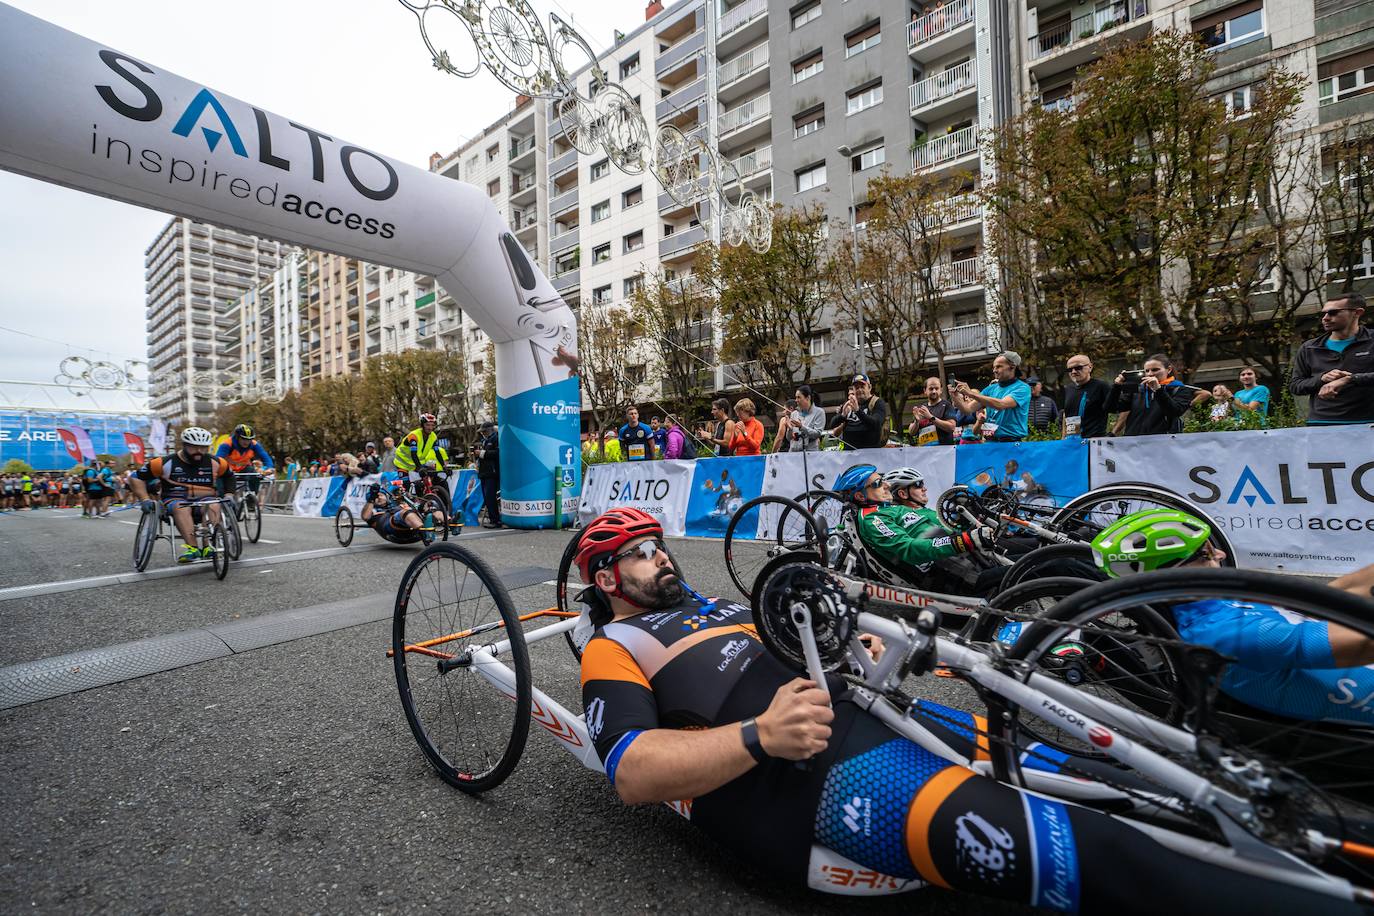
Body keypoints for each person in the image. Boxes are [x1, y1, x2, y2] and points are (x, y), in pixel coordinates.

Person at [573, 508, 1331, 912]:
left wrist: (852, 647)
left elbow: (813, 638)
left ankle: (1331, 848)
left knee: (1146, 786)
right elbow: (633, 772)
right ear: (606, 578)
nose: (661, 555)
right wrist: (759, 733)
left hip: (886, 714)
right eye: (639, 553)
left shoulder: (719, 602)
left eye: (657, 543)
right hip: (820, 777)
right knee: (1105, 854)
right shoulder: (618, 645)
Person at [1091, 509, 1374, 726]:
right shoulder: (1222, 633)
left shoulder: (1212, 600)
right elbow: (1362, 644)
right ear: (1181, 573)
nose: (1221, 553)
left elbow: (1334, 595)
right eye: (1206, 553)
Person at [833, 464, 1002, 597]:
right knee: (1027, 569)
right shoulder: (872, 518)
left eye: (883, 479)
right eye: (877, 484)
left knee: (1026, 558)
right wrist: (965, 540)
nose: (887, 485)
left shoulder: (890, 509)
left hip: (976, 563)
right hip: (962, 580)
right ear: (861, 496)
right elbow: (909, 549)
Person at [129, 427, 235, 563]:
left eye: (203, 448)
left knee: (214, 505)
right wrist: (144, 499)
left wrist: (229, 494)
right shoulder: (164, 462)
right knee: (182, 507)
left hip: (206, 499)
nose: (199, 451)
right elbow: (135, 477)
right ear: (184, 445)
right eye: (194, 447)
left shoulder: (217, 462)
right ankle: (193, 548)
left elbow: (230, 476)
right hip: (175, 499)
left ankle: (208, 546)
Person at [1288, 292, 1373, 425]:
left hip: (1368, 423)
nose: (1325, 318)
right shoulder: (1309, 347)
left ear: (1357, 313)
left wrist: (1351, 379)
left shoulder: (1372, 340)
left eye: (1333, 312)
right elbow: (1295, 386)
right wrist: (1321, 378)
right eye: (1324, 313)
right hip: (1322, 424)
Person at [1105, 354, 1195, 436]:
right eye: (1147, 371)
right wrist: (1116, 387)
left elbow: (1174, 411)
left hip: (1163, 443)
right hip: (1135, 444)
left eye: (1155, 370)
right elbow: (1111, 408)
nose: (1150, 374)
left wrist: (1158, 390)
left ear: (1169, 369)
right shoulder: (1137, 388)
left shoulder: (1180, 389)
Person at [952, 352, 1031, 442]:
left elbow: (1001, 404)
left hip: (1011, 442)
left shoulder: (1022, 388)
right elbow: (967, 409)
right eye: (993, 367)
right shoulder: (990, 389)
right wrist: (955, 396)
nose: (994, 370)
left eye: (998, 366)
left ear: (1012, 367)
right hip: (990, 442)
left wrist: (971, 394)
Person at [360, 481, 444, 544]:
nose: (379, 499)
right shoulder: (374, 511)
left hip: (411, 524)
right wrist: (371, 499)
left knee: (430, 507)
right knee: (405, 512)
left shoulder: (396, 502)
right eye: (376, 499)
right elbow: (365, 517)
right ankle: (425, 532)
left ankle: (451, 522)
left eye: (380, 496)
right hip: (391, 528)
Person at [215, 424, 274, 509]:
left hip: (244, 469)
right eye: (243, 439)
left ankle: (251, 499)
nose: (246, 442)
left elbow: (265, 456)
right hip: (228, 470)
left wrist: (270, 468)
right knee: (221, 488)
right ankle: (223, 504)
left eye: (249, 439)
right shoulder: (226, 444)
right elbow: (218, 460)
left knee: (255, 475)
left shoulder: (254, 444)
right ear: (237, 437)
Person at [829, 374, 888, 450]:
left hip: (870, 453)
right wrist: (842, 415)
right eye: (856, 388)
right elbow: (832, 425)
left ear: (869, 387)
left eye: (862, 387)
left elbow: (876, 424)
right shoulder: (849, 403)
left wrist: (858, 411)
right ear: (853, 390)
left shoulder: (877, 402)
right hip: (849, 454)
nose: (859, 390)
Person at [1061, 354, 1112, 438]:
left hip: (1093, 443)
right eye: (1070, 369)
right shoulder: (1068, 389)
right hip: (1072, 442)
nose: (1073, 372)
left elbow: (1122, 409)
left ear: (1090, 367)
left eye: (1078, 368)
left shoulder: (1101, 386)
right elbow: (1066, 415)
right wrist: (1063, 438)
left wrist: (1114, 432)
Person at [906, 377, 958, 446]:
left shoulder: (947, 405)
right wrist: (916, 421)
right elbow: (911, 432)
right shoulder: (922, 408)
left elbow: (951, 427)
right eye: (931, 389)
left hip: (943, 452)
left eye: (936, 388)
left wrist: (930, 417)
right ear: (925, 391)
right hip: (925, 452)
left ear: (941, 390)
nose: (934, 391)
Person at [780, 385, 826, 451]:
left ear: (808, 398)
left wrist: (801, 427)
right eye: (795, 397)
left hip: (810, 454)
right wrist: (790, 429)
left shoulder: (819, 412)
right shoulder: (794, 414)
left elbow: (817, 434)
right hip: (794, 454)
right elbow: (789, 438)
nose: (796, 400)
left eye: (799, 397)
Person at [476, 420, 501, 529]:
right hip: (484, 472)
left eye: (484, 431)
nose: (483, 433)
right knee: (487, 498)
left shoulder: (496, 439)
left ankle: (495, 520)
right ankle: (493, 518)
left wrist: (482, 453)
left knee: (491, 497)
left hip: (492, 472)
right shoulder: (485, 441)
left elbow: (497, 453)